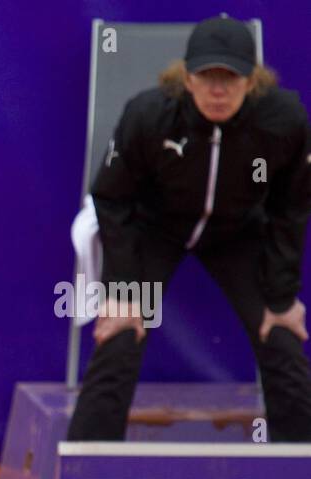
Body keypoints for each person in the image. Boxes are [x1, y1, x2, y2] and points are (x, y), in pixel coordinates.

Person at [67, 15, 311, 442]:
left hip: (237, 233)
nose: (218, 91)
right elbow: (111, 196)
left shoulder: (284, 120)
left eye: (230, 78)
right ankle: (88, 471)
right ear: (187, 76)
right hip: (156, 228)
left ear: (252, 80)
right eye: (206, 76)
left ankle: (300, 476)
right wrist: (122, 292)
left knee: (282, 337)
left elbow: (291, 206)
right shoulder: (149, 115)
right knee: (121, 333)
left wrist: (281, 294)